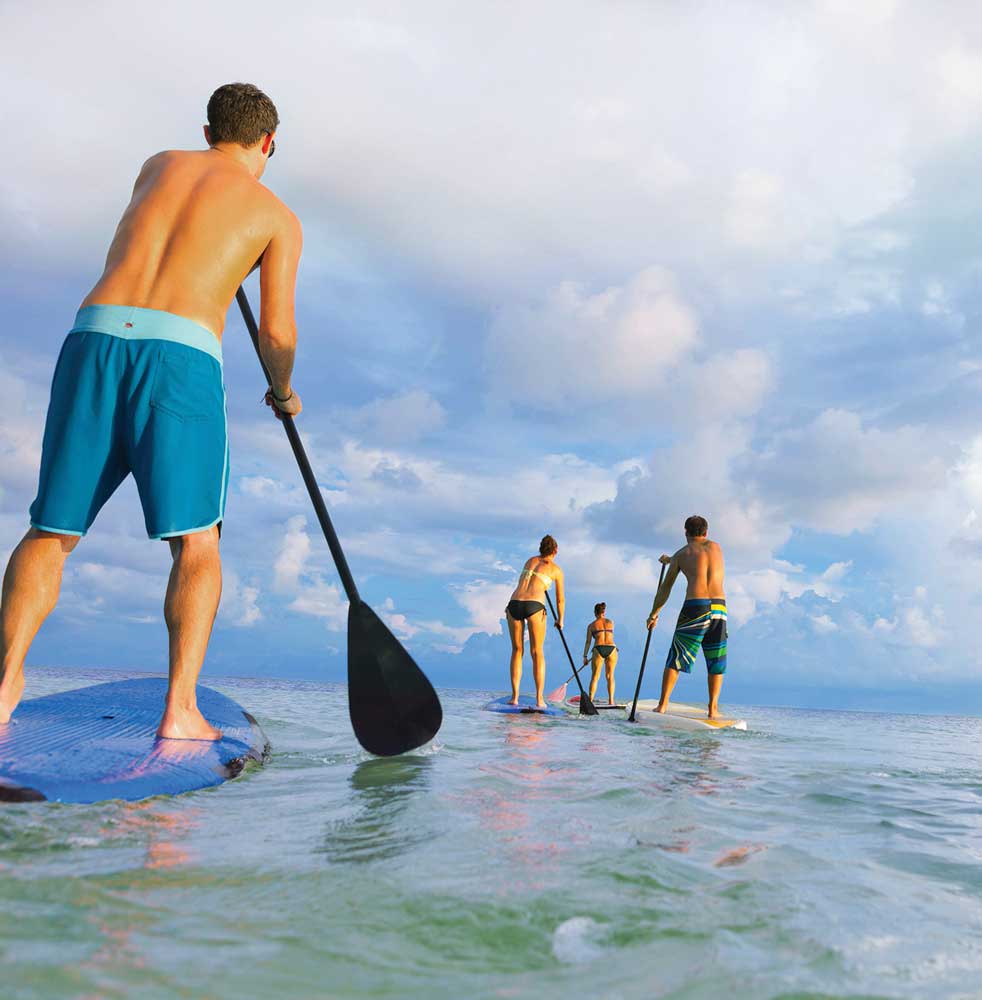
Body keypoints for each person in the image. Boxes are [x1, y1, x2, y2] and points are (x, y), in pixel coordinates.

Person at [0, 83, 303, 739]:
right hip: (180, 355)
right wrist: (283, 392)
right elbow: (276, 334)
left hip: (94, 335)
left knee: (51, 530)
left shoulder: (157, 165)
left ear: (206, 130)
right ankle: (180, 712)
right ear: (269, 144)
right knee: (197, 542)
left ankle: (2, 689)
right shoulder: (276, 216)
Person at [646, 515, 727, 720]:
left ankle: (663, 705)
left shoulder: (682, 554)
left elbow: (665, 589)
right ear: (706, 532)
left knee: (677, 656)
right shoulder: (717, 547)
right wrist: (672, 559)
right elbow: (700, 557)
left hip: (695, 606)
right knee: (716, 658)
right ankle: (713, 708)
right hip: (719, 607)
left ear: (685, 532)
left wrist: (653, 614)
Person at [505, 535, 564, 708]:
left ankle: (514, 697)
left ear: (541, 548)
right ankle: (539, 699)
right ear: (556, 551)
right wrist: (560, 620)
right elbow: (560, 600)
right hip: (535, 606)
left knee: (517, 650)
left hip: (514, 604)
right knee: (537, 651)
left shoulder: (529, 561)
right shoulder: (556, 570)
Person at [582, 602, 618, 704]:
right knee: (610, 676)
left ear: (595, 612)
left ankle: (590, 701)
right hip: (612, 649)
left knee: (595, 677)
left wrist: (585, 656)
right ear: (604, 612)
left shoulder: (591, 626)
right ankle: (611, 701)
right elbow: (610, 635)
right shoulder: (611, 622)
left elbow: (588, 642)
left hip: (598, 648)